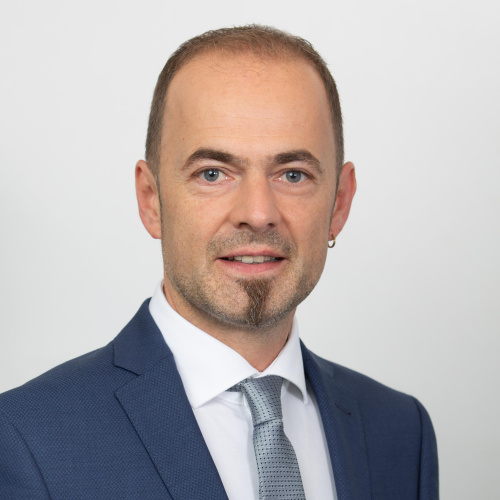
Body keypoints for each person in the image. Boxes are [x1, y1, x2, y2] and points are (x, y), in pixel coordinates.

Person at [0, 25, 438, 499]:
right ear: (151, 200)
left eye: (293, 174)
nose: (258, 213)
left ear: (339, 202)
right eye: (212, 174)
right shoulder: (26, 439)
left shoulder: (400, 431)